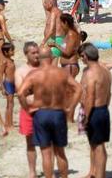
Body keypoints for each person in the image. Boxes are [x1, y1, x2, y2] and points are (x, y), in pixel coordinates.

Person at [17, 46, 83, 178]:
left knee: (46, 153)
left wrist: (27, 108)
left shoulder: (34, 74)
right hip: (58, 112)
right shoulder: (61, 73)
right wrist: (70, 107)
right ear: (52, 57)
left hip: (41, 113)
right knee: (60, 152)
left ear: (39, 58)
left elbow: (20, 93)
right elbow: (78, 89)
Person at [79, 43, 112, 178]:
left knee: (98, 147)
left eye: (81, 56)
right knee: (95, 144)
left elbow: (90, 97)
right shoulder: (105, 70)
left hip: (94, 111)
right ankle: (93, 172)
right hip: (103, 109)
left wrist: (86, 116)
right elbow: (109, 94)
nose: (81, 59)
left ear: (86, 56)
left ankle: (100, 175)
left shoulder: (91, 73)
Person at [15, 41, 41, 178]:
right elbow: (21, 93)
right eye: (33, 53)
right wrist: (28, 107)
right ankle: (32, 171)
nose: (37, 55)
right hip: (28, 110)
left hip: (44, 109)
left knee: (47, 143)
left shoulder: (44, 68)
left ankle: (48, 170)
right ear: (26, 54)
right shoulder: (21, 71)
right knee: (30, 143)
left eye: (38, 52)